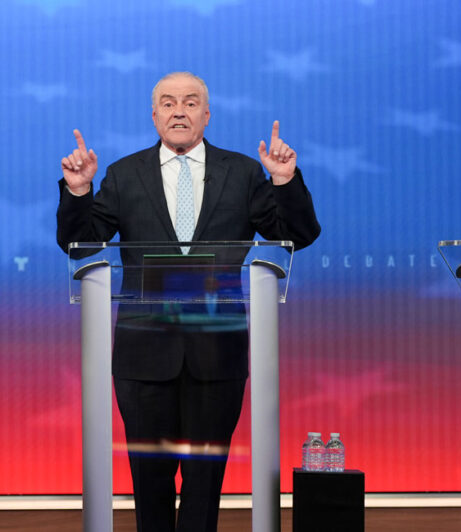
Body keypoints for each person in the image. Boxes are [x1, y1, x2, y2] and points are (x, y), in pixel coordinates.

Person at [57, 72, 320, 531]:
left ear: (207, 114)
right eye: (168, 102)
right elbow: (81, 243)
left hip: (217, 350)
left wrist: (284, 180)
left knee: (205, 479)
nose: (179, 110)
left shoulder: (241, 172)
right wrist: (79, 190)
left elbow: (296, 235)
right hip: (143, 353)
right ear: (154, 114)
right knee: (149, 478)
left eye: (191, 102)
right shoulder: (124, 174)